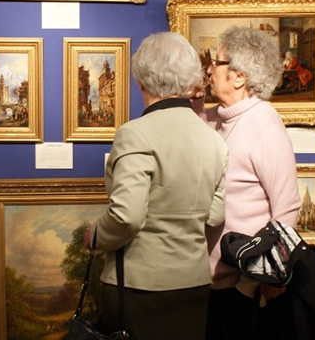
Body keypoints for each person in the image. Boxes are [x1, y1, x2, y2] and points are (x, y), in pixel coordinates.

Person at [87, 32, 228, 340]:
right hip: (193, 284)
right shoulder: (213, 140)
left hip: (139, 288)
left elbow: (127, 217)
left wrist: (94, 235)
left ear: (142, 82)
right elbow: (215, 215)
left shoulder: (135, 134)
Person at [197, 27, 302, 340]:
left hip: (241, 286)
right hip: (208, 280)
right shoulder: (216, 116)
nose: (210, 69)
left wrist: (254, 282)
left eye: (217, 63)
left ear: (239, 77)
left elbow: (287, 208)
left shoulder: (264, 124)